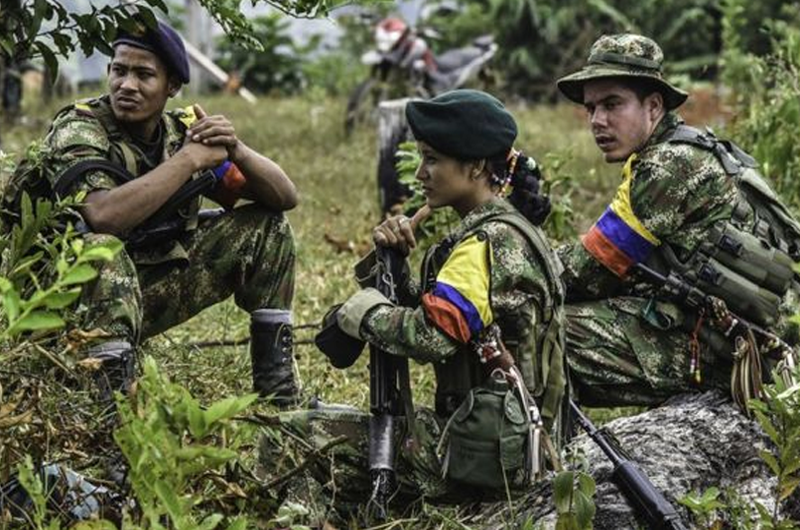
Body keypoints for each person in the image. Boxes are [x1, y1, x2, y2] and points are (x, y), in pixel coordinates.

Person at [261, 89, 566, 512]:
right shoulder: (511, 230)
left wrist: (365, 314)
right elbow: (457, 324)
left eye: (432, 159)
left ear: (476, 166)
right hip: (506, 443)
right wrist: (397, 270)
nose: (420, 173)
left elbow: (433, 336)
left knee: (292, 432)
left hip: (483, 457)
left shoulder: (485, 243)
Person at [1, 20, 300, 407]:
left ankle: (280, 401)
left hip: (137, 292)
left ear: (171, 86)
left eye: (144, 75)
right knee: (102, 249)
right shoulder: (80, 128)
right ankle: (108, 417)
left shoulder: (179, 133)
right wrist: (189, 160)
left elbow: (284, 197)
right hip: (54, 309)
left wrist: (235, 147)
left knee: (267, 228)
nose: (127, 85)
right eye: (119, 70)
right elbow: (103, 216)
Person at [555, 34, 800, 409]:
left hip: (737, 354)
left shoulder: (666, 166)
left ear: (653, 106)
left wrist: (515, 262)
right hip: (747, 341)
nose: (597, 120)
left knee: (543, 331)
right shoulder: (692, 148)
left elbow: (587, 273)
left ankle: (545, 462)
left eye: (612, 104)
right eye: (590, 108)